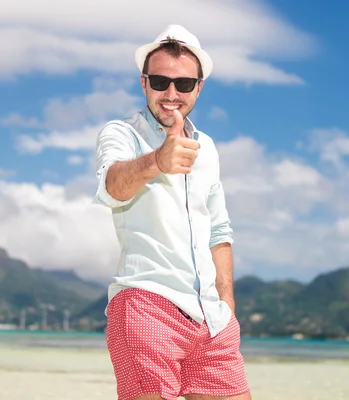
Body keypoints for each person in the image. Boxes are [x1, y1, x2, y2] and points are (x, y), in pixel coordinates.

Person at [93, 24, 251, 400]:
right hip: (147, 305)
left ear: (199, 87)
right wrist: (157, 161)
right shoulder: (121, 133)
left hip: (212, 321)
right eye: (161, 81)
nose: (171, 94)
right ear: (144, 83)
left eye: (183, 84)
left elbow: (218, 230)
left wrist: (227, 310)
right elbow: (112, 187)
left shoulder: (207, 148)